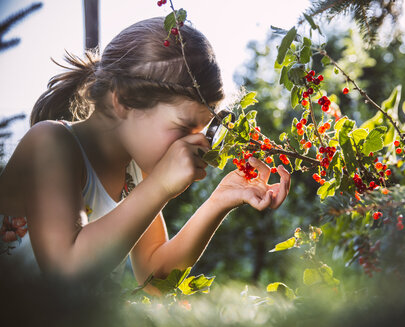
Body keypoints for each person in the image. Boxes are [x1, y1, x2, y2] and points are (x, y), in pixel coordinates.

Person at [0, 17, 290, 294]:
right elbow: (65, 272)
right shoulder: (50, 143)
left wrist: (219, 201)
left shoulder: (135, 172)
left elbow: (155, 278)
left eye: (201, 130)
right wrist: (160, 185)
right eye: (184, 127)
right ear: (123, 100)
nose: (196, 143)